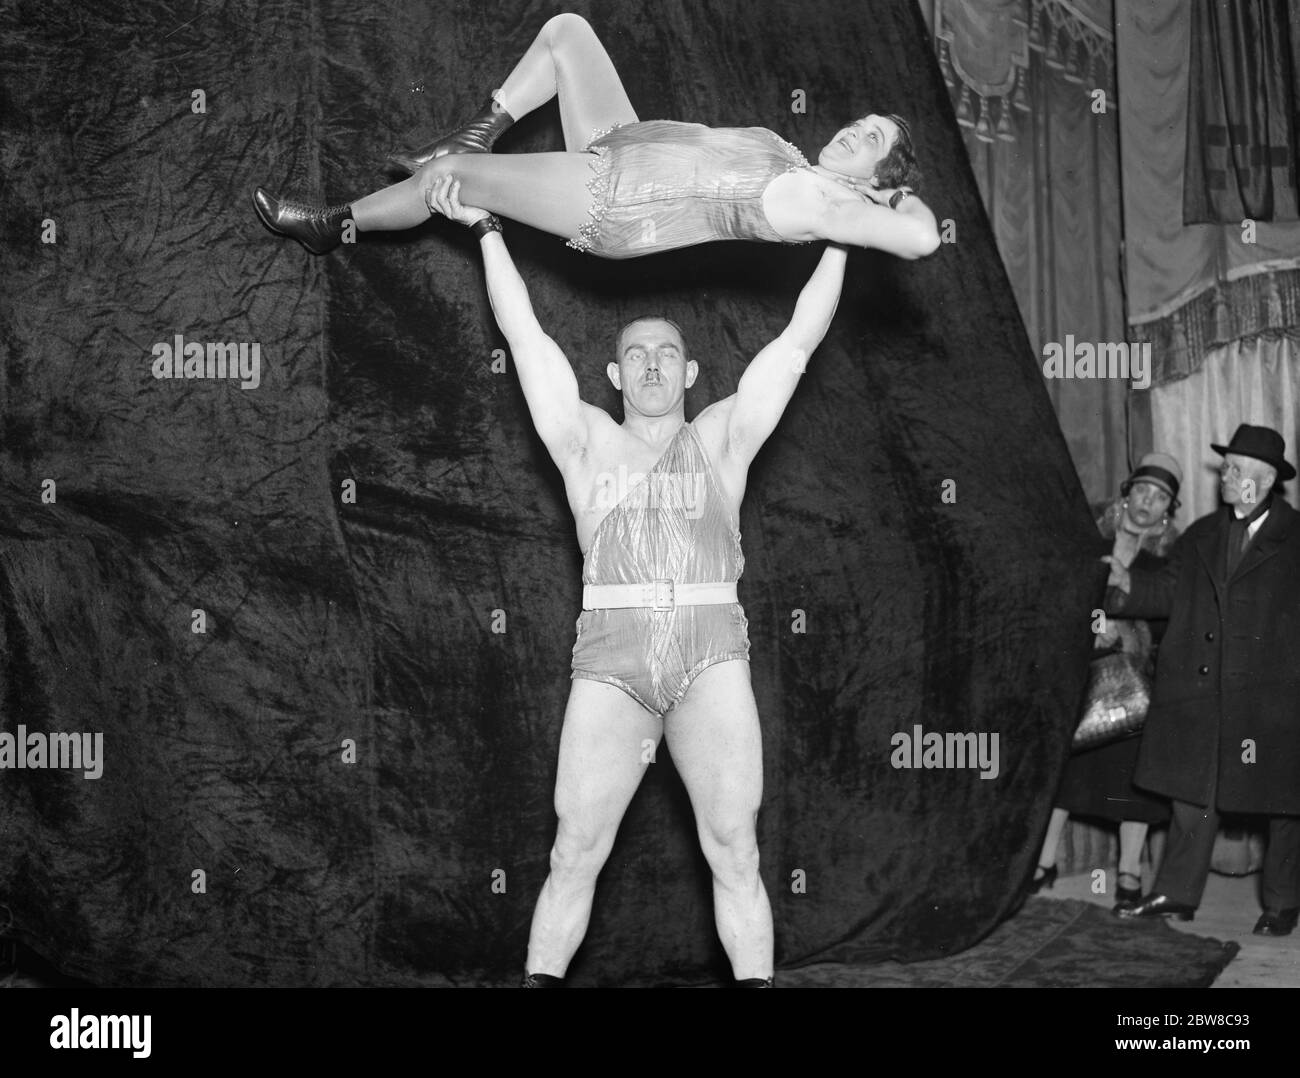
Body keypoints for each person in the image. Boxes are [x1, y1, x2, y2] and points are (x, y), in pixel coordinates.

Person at [422, 169, 845, 985]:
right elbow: (526, 337)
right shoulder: (585, 444)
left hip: (710, 656)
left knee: (735, 849)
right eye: (634, 355)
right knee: (573, 851)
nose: (651, 365)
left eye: (667, 354)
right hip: (611, 662)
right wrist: (485, 231)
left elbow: (796, 342)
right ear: (614, 376)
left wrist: (840, 239)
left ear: (690, 374)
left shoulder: (724, 440)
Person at [252, 13, 939, 261]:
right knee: (567, 33)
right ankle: (471, 138)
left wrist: (897, 202)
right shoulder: (792, 158)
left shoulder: (829, 207)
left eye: (871, 138)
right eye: (860, 121)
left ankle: (332, 223)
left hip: (617, 199)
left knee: (442, 187)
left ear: (880, 178)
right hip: (629, 141)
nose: (854, 130)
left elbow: (921, 239)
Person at [1105, 425, 1300, 935]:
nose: (1224, 477)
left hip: (1273, 698)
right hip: (1203, 692)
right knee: (1192, 796)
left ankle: (1282, 903)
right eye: (1227, 467)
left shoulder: (1296, 538)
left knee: (1285, 805)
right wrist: (1126, 587)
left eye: (1234, 469)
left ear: (1262, 479)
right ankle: (1176, 893)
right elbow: (1168, 590)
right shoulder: (1203, 534)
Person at [1029, 455, 1181, 910]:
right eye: (1142, 492)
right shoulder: (1091, 540)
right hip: (1082, 670)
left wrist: (1128, 632)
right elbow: (1058, 595)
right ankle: (1043, 860)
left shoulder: (1169, 559)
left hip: (1137, 685)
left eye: (1160, 499)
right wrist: (1092, 624)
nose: (1146, 504)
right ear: (1126, 493)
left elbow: (1170, 616)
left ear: (1168, 511)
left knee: (1133, 779)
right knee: (1067, 770)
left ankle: (1130, 871)